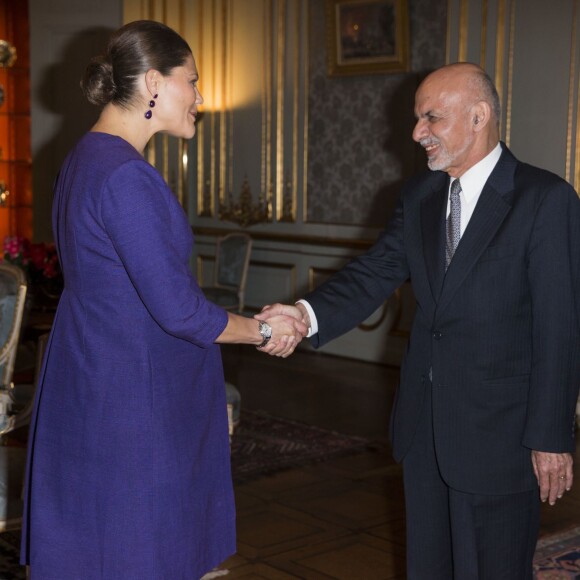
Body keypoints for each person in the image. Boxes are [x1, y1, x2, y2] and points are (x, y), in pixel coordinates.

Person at [257, 62, 580, 578]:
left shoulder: (544, 199)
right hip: (424, 428)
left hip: (502, 435)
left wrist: (551, 436)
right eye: (417, 118)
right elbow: (375, 272)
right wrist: (303, 313)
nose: (416, 132)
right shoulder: (420, 196)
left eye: (431, 117)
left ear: (479, 117)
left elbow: (560, 328)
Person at [20, 20, 305, 579]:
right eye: (193, 81)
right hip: (135, 396)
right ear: (154, 82)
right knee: (137, 550)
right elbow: (178, 309)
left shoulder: (83, 158)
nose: (200, 96)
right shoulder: (126, 175)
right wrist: (267, 330)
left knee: (97, 545)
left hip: (95, 373)